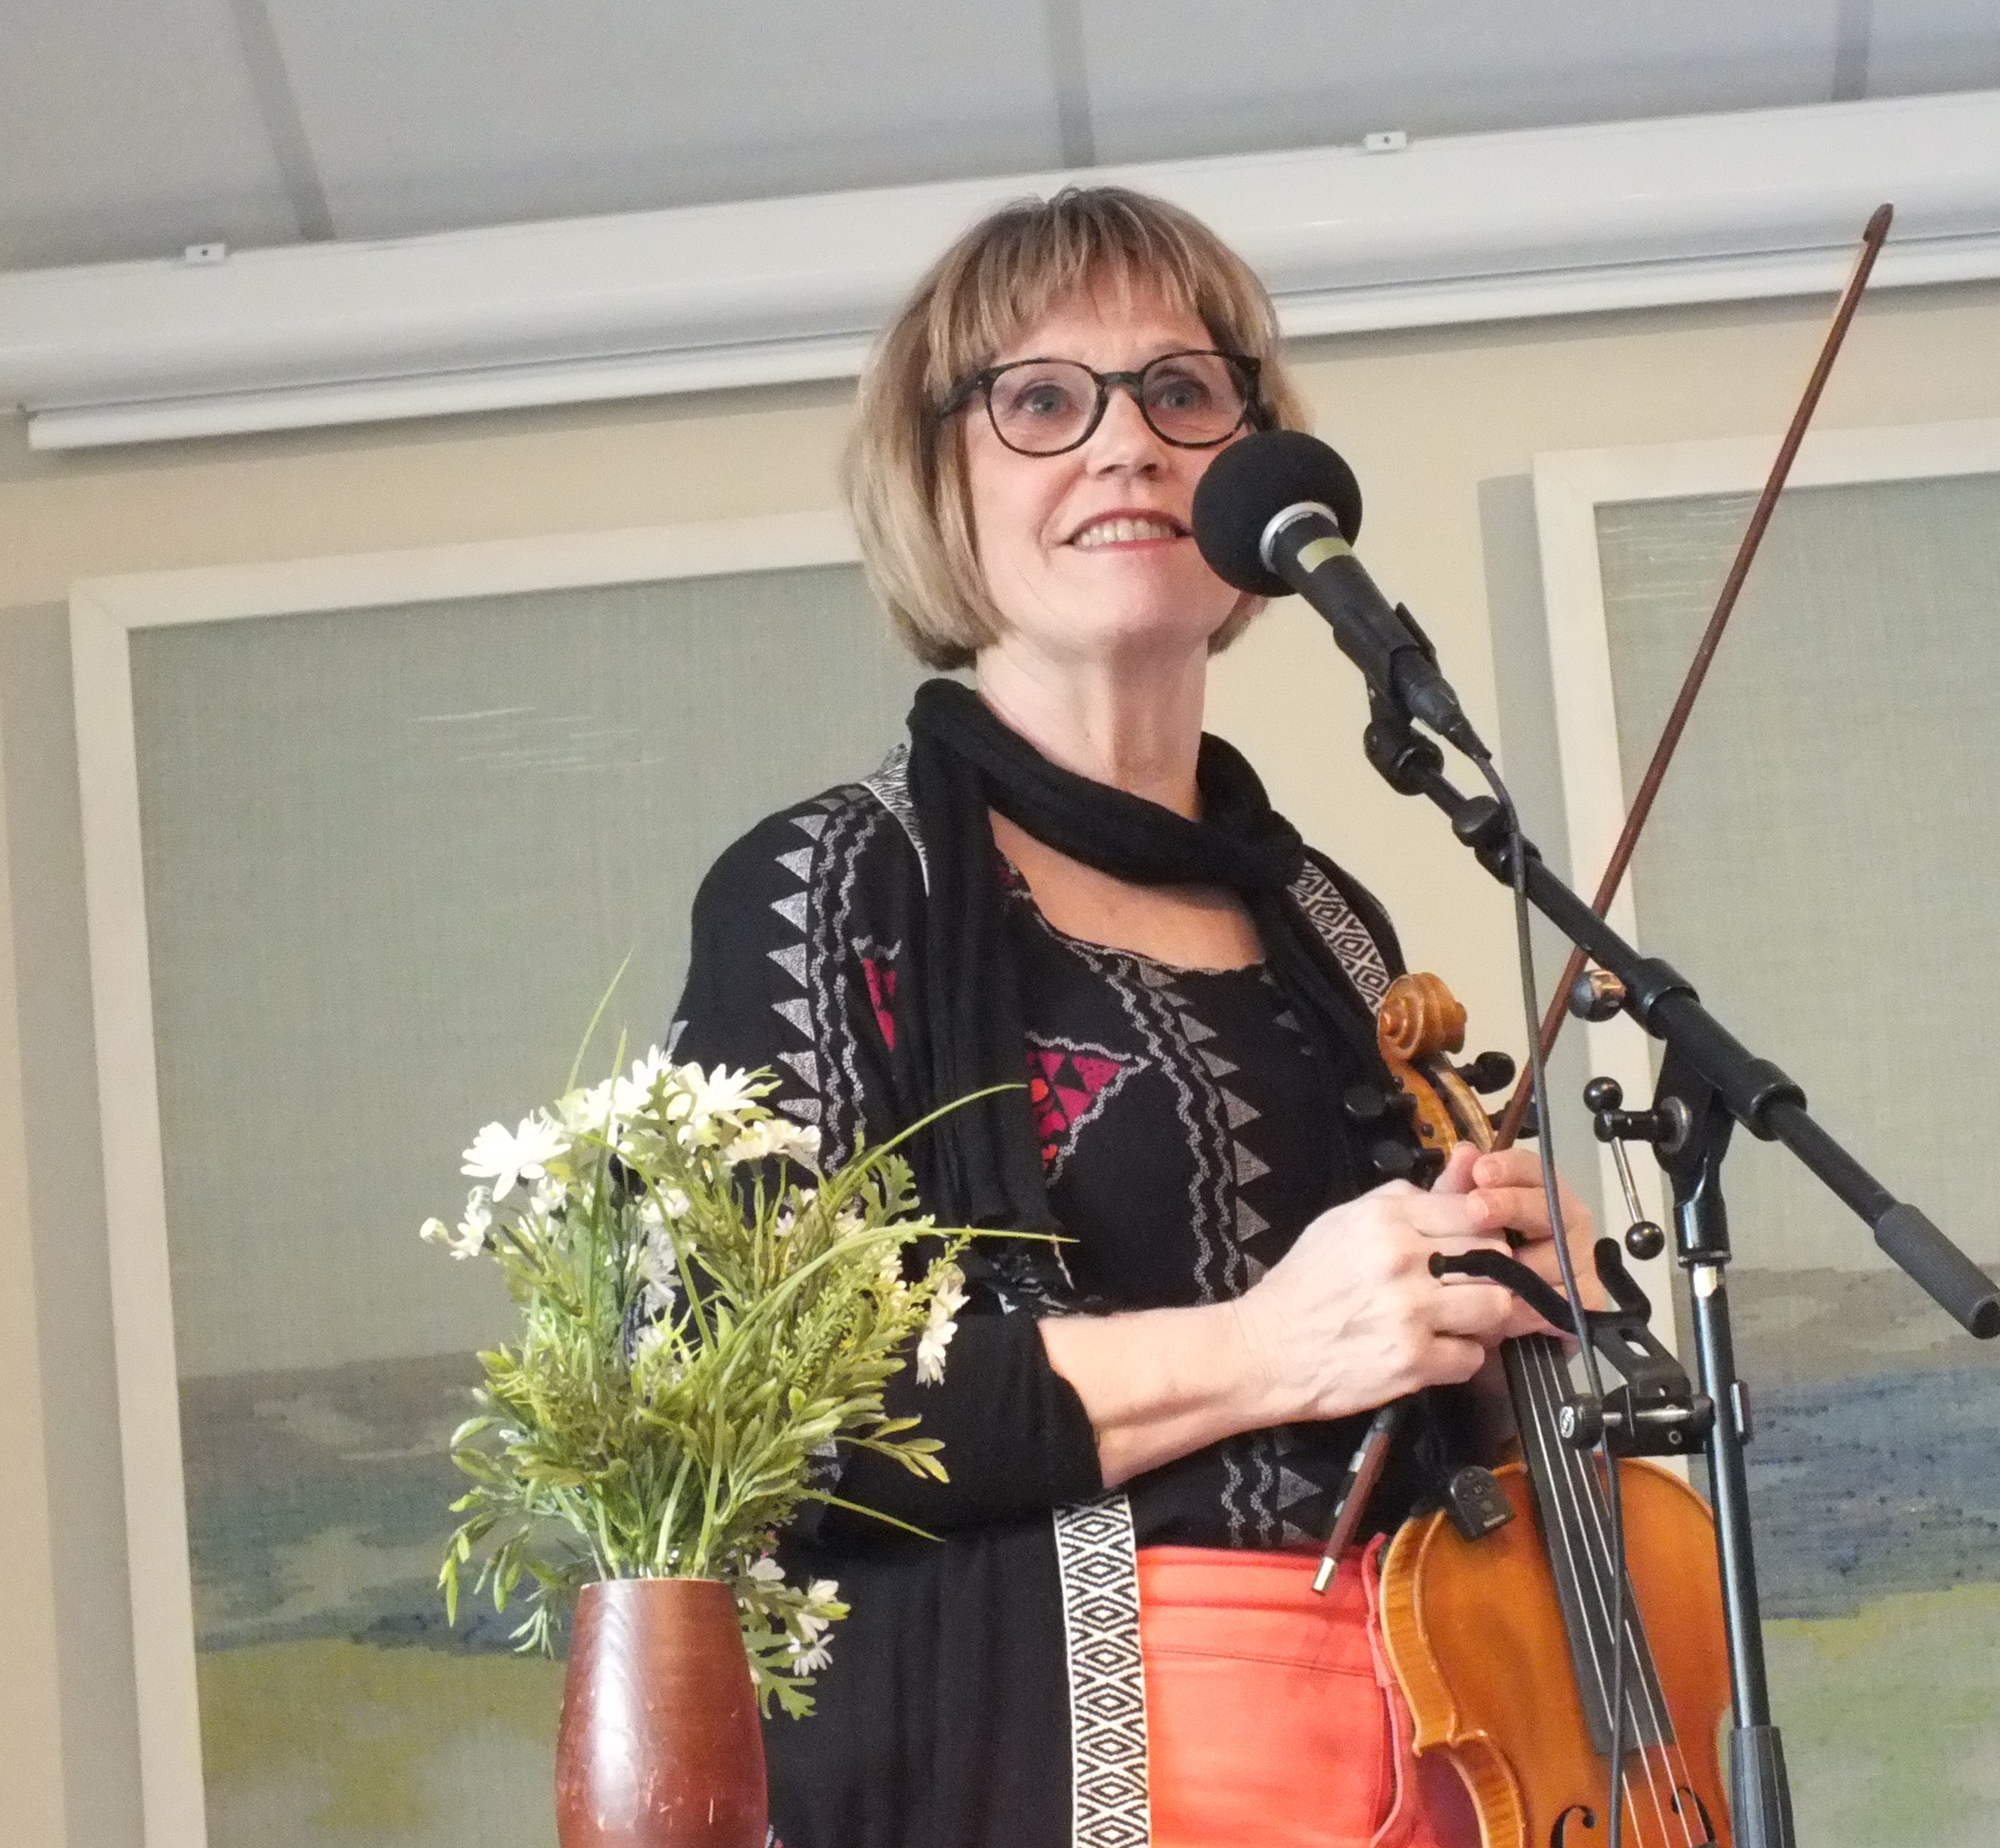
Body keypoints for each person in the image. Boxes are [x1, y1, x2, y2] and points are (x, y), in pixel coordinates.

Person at [669, 185, 1601, 1848]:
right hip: (1058, 1768)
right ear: (939, 480)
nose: (1126, 446)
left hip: (1438, 1740)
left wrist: (1502, 1298)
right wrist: (1268, 1344)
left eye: (1182, 392)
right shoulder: (829, 885)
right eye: (1042, 400)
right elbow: (770, 1416)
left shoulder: (1326, 918)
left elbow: (1391, 1392)